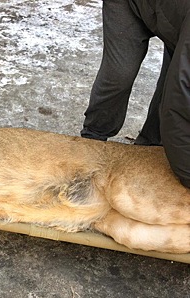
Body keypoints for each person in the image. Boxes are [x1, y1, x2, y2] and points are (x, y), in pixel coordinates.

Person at [81, 0, 190, 188]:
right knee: (119, 75)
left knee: (170, 84)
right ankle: (93, 138)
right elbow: (180, 106)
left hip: (176, 20)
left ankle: (149, 147)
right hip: (129, 4)